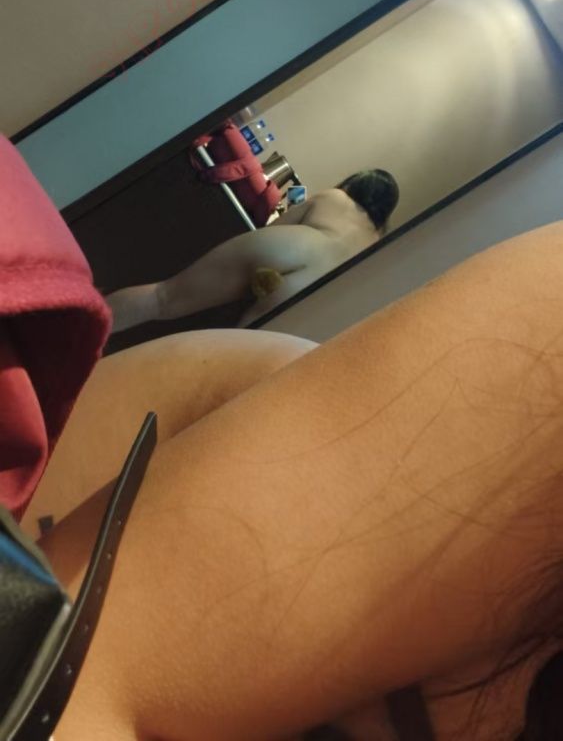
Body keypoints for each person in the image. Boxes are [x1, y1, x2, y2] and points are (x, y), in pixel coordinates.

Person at [31, 219, 563, 739]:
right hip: (101, 592)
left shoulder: (335, 210)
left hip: (287, 268)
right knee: (171, 307)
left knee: (164, 300)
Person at [106, 168, 400, 332]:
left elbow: (277, 227)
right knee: (230, 350)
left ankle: (85, 325)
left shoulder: (336, 197)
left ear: (356, 184)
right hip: (307, 288)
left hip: (290, 247)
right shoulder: (373, 242)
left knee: (163, 297)